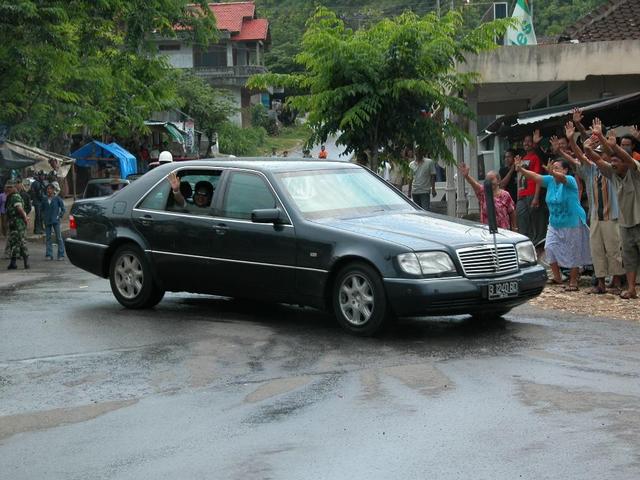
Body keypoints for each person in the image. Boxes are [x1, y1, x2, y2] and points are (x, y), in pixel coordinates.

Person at [565, 121, 624, 294]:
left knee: (613, 250)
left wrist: (599, 136)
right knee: (597, 249)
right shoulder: (591, 170)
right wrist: (571, 140)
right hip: (596, 216)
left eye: (601, 154)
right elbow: (580, 155)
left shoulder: (613, 170)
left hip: (611, 215)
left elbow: (610, 151)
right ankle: (601, 283)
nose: (598, 156)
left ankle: (616, 282)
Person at [515, 156, 591, 291]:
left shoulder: (570, 180)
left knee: (574, 251)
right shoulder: (550, 180)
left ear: (565, 170)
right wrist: (521, 169)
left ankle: (574, 281)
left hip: (572, 221)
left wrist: (552, 172)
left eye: (557, 168)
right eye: (553, 167)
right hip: (555, 222)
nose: (554, 170)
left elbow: (561, 178)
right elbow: (535, 177)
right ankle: (557, 277)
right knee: (549, 248)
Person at [586, 118, 640, 299]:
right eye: (613, 162)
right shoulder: (614, 174)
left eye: (617, 161)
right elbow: (598, 160)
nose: (613, 163)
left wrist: (612, 145)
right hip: (626, 223)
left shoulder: (635, 170)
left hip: (639, 220)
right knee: (630, 258)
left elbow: (625, 158)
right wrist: (588, 148)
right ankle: (631, 289)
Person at [459, 163, 517, 231]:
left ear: (498, 181)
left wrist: (514, 228)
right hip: (487, 230)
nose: (489, 182)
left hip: (504, 231)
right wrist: (467, 176)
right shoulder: (483, 192)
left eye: (492, 179)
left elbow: (512, 212)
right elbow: (474, 183)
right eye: (487, 180)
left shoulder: (505, 195)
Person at [517, 133, 547, 246]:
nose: (526, 143)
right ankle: (525, 243)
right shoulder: (523, 158)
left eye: (529, 141)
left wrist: (536, 197)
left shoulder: (536, 157)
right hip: (522, 194)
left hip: (532, 193)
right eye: (525, 141)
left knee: (536, 220)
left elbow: (538, 178)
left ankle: (539, 243)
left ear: (533, 143)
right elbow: (520, 179)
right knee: (522, 219)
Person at [5, 180, 30, 269]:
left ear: (13, 188)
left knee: (20, 241)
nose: (6, 189)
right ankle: (14, 263)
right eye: (6, 187)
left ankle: (25, 262)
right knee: (14, 242)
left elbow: (19, 209)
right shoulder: (11, 197)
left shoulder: (15, 196)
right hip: (14, 223)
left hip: (18, 223)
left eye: (9, 187)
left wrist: (25, 218)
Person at [41, 184, 66, 260]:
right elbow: (42, 209)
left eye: (50, 189)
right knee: (48, 238)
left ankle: (61, 255)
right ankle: (49, 254)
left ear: (53, 190)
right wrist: (43, 217)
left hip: (56, 220)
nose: (48, 190)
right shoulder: (44, 199)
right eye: (47, 189)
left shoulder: (57, 199)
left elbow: (63, 209)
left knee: (59, 238)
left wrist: (59, 216)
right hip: (47, 221)